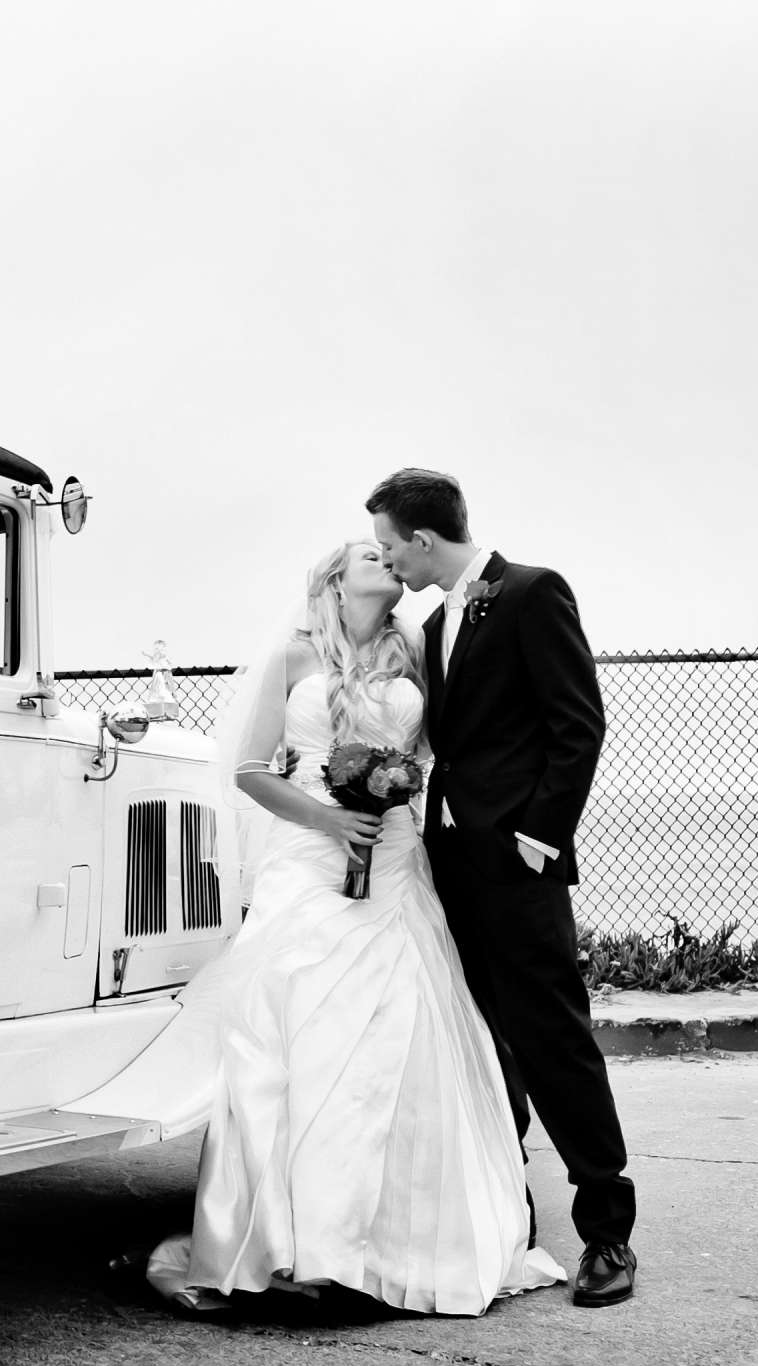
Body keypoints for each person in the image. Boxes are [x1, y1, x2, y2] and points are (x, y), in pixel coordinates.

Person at [143, 537, 565, 1316]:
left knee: (402, 1025)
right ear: (335, 582)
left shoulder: (417, 652)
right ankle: (290, 1232)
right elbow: (248, 770)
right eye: (368, 553)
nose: (385, 559)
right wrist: (331, 819)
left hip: (395, 859)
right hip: (308, 858)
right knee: (296, 1029)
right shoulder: (292, 658)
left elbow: (459, 746)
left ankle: (397, 1239)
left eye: (389, 551)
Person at [367, 467, 638, 1307]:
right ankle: (504, 1209)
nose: (387, 565)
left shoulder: (529, 593)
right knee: (482, 1041)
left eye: (388, 547)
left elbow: (577, 723)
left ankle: (608, 1236)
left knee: (551, 1036)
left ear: (423, 537)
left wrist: (538, 838)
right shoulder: (431, 622)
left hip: (515, 862)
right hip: (445, 860)